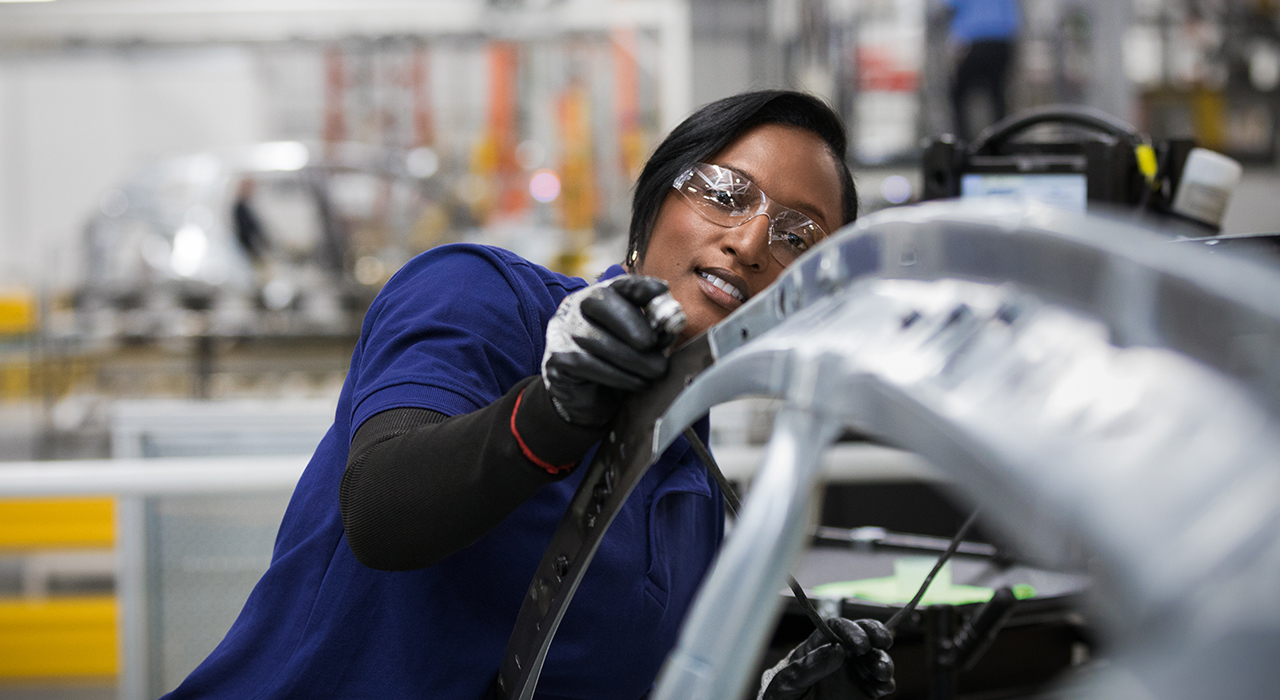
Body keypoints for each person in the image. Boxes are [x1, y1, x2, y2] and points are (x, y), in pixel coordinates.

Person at [163, 90, 892, 700]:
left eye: (801, 237)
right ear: (651, 208)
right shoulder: (482, 297)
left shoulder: (692, 493)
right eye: (727, 193)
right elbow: (381, 513)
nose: (753, 240)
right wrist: (552, 412)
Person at [946, 0, 1022, 141]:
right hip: (1003, 42)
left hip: (976, 41)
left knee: (957, 93)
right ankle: (1001, 141)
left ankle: (964, 143)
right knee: (997, 93)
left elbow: (949, 7)